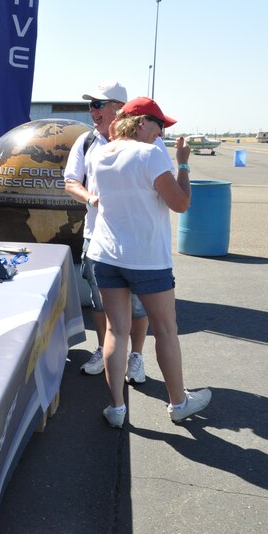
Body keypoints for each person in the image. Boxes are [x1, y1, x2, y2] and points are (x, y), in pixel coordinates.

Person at [87, 97, 211, 428]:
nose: (162, 135)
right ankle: (178, 402)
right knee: (166, 330)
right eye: (159, 127)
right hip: (146, 259)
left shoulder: (101, 154)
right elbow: (181, 203)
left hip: (105, 255)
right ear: (142, 123)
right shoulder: (151, 153)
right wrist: (182, 164)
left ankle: (116, 408)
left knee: (116, 330)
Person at [65, 81, 151, 383]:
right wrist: (89, 198)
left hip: (137, 239)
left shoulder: (144, 142)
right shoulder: (85, 142)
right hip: (97, 236)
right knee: (101, 300)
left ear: (119, 108)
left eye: (99, 104)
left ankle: (136, 356)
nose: (93, 110)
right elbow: (70, 181)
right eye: (91, 105)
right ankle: (104, 350)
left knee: (139, 303)